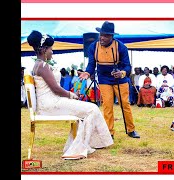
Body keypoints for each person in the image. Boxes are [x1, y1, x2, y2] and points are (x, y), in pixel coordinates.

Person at [27, 30, 113, 160]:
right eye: (51, 49)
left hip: (51, 102)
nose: (52, 52)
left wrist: (71, 94)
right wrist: (71, 95)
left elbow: (54, 89)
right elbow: (55, 89)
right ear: (44, 49)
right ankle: (81, 146)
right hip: (51, 105)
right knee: (92, 109)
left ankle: (80, 144)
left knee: (86, 109)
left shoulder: (39, 65)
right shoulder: (42, 66)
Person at [79, 21, 140, 139]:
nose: (102, 37)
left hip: (120, 79)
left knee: (125, 104)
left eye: (106, 35)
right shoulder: (93, 47)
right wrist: (87, 72)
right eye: (101, 34)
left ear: (112, 36)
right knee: (107, 105)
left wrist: (121, 73)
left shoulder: (121, 47)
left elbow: (128, 66)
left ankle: (131, 129)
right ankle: (109, 132)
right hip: (104, 79)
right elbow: (91, 64)